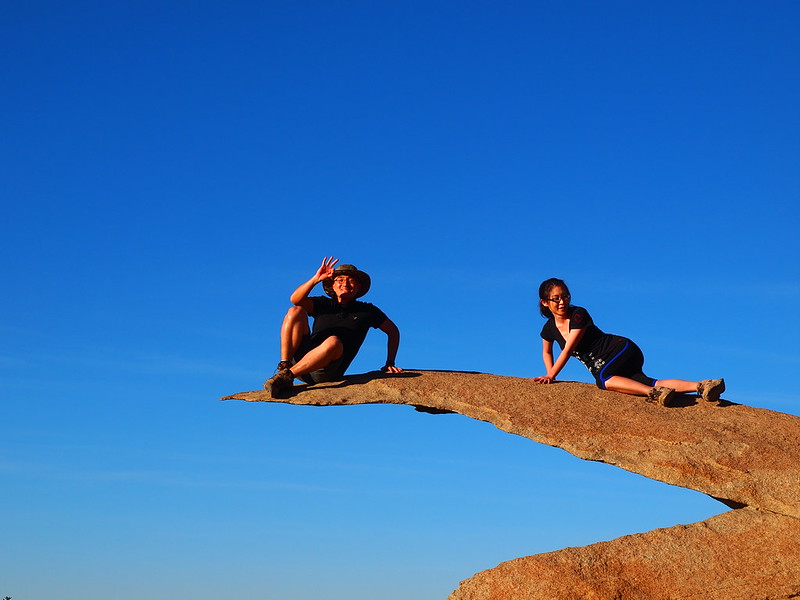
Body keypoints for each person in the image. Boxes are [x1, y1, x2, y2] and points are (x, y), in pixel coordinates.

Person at [533, 277, 725, 405]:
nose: (562, 302)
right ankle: (703, 386)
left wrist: (551, 376)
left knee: (603, 381)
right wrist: (550, 374)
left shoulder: (578, 315)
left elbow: (567, 349)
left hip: (619, 350)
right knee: (650, 380)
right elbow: (547, 351)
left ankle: (654, 393)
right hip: (611, 365)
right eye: (556, 298)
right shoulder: (549, 328)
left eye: (565, 296)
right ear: (544, 302)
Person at [263, 257, 402, 398]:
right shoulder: (324, 304)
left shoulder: (368, 311)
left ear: (359, 286)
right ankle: (284, 368)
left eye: (351, 280)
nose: (345, 283)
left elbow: (393, 332)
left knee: (333, 341)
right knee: (295, 311)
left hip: (325, 370)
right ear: (332, 286)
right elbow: (295, 299)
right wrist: (315, 279)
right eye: (340, 280)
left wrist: (390, 362)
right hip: (300, 362)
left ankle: (286, 377)